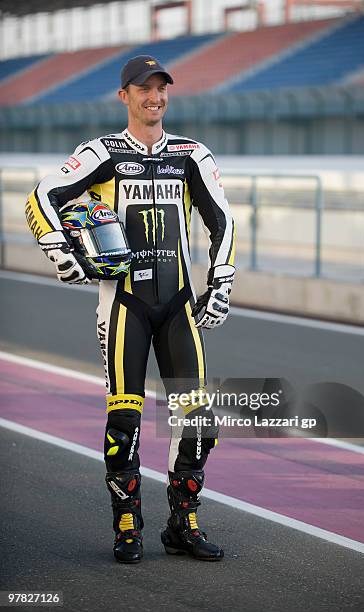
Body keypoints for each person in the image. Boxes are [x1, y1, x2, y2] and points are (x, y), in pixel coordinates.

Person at [26, 55, 236, 563]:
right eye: (144, 89)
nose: (155, 97)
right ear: (125, 96)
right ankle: (126, 526)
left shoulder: (191, 155)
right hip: (123, 306)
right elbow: (42, 197)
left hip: (180, 306)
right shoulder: (101, 153)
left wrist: (221, 279)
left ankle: (182, 526)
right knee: (125, 425)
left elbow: (223, 221)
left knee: (199, 421)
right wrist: (60, 251)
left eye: (162, 88)